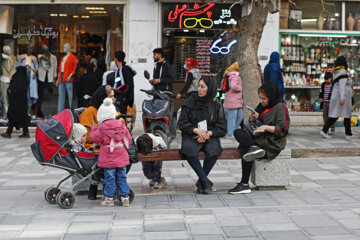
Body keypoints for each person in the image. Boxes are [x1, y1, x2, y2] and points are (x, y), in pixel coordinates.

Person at [228, 81, 290, 194]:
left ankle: (244, 184)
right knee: (238, 132)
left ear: (271, 97)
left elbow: (282, 129)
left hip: (272, 142)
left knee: (245, 147)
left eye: (264, 99)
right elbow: (255, 124)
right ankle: (254, 147)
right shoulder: (262, 106)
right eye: (260, 98)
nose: (261, 101)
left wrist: (266, 127)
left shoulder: (280, 107)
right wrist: (253, 119)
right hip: (259, 137)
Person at [178, 76, 227, 194]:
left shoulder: (216, 104)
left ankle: (201, 181)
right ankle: (204, 180)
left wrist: (208, 134)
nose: (199, 89)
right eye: (198, 86)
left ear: (210, 88)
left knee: (214, 151)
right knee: (188, 150)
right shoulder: (191, 100)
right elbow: (182, 122)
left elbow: (222, 127)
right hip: (192, 133)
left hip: (210, 135)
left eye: (202, 87)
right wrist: (196, 131)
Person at [90, 98, 132, 207]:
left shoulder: (102, 128)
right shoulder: (121, 125)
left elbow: (94, 139)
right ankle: (125, 198)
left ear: (101, 116)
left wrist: (94, 129)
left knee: (110, 178)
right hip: (121, 158)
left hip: (109, 159)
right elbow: (129, 139)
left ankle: (109, 199)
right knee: (122, 177)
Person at [320, 56, 353, 139]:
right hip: (342, 98)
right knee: (345, 116)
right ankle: (347, 133)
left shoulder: (335, 73)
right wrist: (342, 98)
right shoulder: (342, 72)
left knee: (335, 115)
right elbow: (342, 86)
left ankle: (347, 133)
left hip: (337, 97)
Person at [79, 85, 114, 150]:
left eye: (113, 96)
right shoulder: (89, 112)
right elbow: (84, 136)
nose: (113, 99)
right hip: (92, 148)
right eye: (110, 96)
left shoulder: (111, 111)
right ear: (103, 98)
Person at [1, 66, 31, 138]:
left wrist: (10, 91)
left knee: (12, 117)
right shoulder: (24, 78)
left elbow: (12, 89)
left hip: (15, 102)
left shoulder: (17, 78)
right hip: (23, 102)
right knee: (23, 117)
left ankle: (8, 133)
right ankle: (25, 133)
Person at [37, 46, 57, 118]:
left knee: (51, 94)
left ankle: (51, 111)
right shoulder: (40, 56)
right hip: (41, 77)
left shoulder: (53, 57)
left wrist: (54, 77)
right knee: (41, 94)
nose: (45, 50)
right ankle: (39, 111)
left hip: (50, 77)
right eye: (43, 49)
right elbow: (39, 61)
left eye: (46, 48)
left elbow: (55, 66)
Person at [57, 43, 78, 113]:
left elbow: (74, 68)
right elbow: (60, 68)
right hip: (62, 76)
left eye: (65, 47)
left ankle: (71, 111)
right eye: (63, 47)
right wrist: (58, 78)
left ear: (68, 48)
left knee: (70, 95)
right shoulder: (63, 58)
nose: (63, 48)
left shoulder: (73, 57)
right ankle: (60, 112)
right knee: (61, 94)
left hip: (68, 78)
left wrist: (70, 75)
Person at [223, 71, 243, 138]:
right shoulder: (235, 76)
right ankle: (230, 134)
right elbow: (233, 86)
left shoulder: (229, 76)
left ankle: (233, 131)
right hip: (234, 100)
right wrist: (241, 88)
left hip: (235, 100)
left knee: (239, 116)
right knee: (233, 118)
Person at [1, 46, 17, 116]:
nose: (10, 51)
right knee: (4, 96)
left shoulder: (13, 57)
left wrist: (12, 74)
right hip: (3, 79)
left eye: (10, 49)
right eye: (8, 50)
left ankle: (12, 113)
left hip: (12, 79)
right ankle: (6, 113)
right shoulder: (2, 57)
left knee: (12, 96)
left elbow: (15, 66)